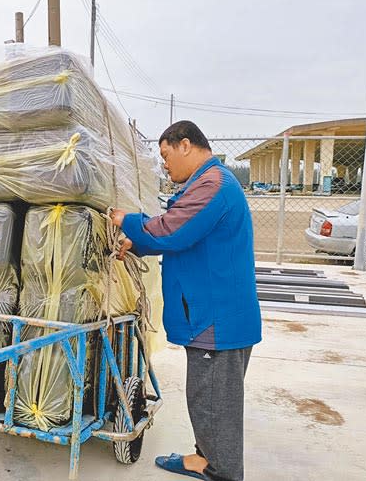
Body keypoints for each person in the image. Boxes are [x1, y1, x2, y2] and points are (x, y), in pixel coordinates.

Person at [110, 120, 261, 481]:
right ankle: (202, 460)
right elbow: (181, 235)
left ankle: (222, 472)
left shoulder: (215, 184)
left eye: (165, 155)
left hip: (218, 319)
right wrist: (139, 243)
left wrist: (124, 221)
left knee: (214, 407)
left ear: (186, 145)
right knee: (206, 401)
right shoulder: (208, 183)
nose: (164, 164)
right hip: (213, 315)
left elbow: (174, 228)